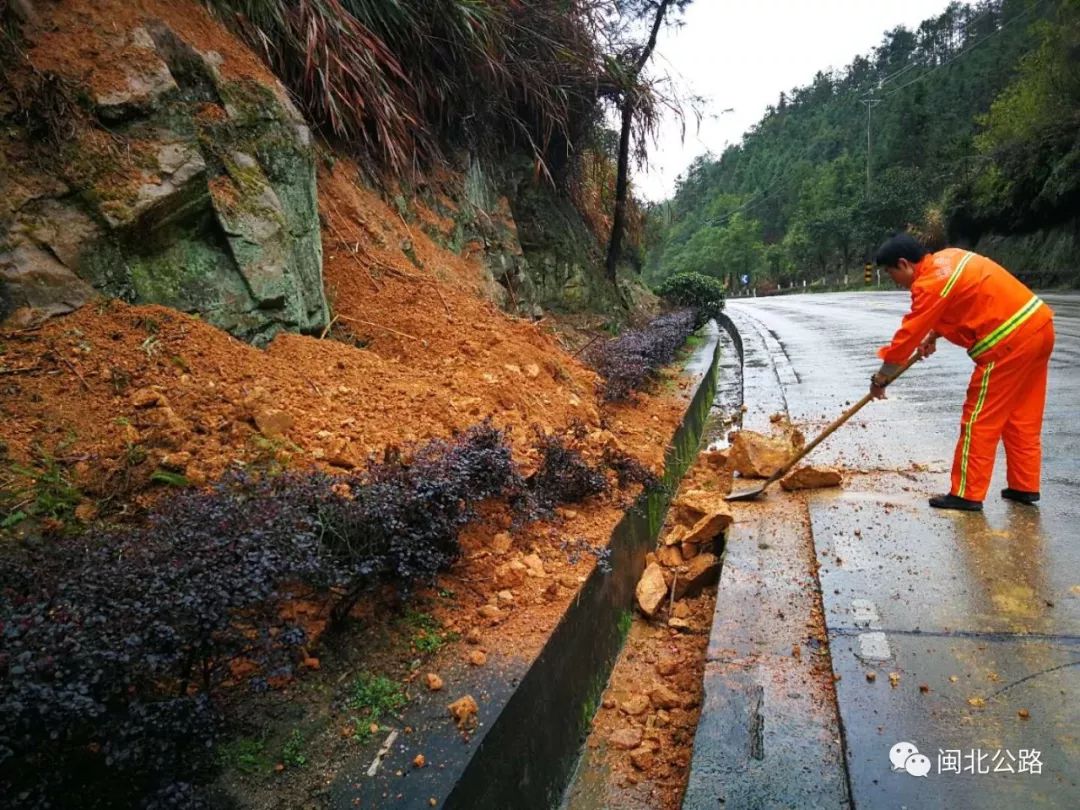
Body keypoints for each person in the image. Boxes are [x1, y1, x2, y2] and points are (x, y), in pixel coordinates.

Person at [870, 234, 1054, 511]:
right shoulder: (950, 257)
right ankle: (1024, 486)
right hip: (1039, 327)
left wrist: (882, 377)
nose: (893, 279)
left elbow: (907, 335)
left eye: (890, 272)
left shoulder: (929, 283)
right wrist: (934, 334)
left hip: (1007, 344)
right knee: (1021, 416)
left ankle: (967, 494)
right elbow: (964, 301)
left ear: (904, 264)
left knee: (980, 419)